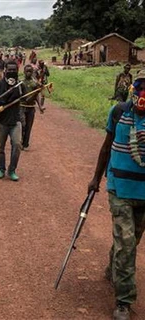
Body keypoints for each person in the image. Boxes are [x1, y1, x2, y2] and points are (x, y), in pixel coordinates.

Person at [88, 70, 145, 320]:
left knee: (132, 241)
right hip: (119, 188)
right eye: (141, 87)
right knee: (127, 242)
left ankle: (114, 266)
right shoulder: (119, 112)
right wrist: (95, 179)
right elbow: (106, 146)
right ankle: (124, 301)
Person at [0, 60, 25, 181]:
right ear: (5, 70)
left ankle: (12, 170)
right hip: (1, 121)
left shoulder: (20, 86)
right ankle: (1, 169)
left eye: (14, 70)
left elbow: (27, 99)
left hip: (15, 121)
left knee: (17, 145)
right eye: (10, 70)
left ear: (17, 71)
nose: (12, 72)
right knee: (0, 147)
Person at [20, 65, 45, 151]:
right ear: (24, 72)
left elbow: (37, 96)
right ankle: (21, 141)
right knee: (22, 125)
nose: (28, 73)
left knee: (28, 126)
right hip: (22, 107)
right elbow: (24, 98)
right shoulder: (21, 83)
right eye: (27, 71)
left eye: (30, 71)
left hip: (31, 107)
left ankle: (25, 143)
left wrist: (40, 106)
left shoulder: (35, 83)